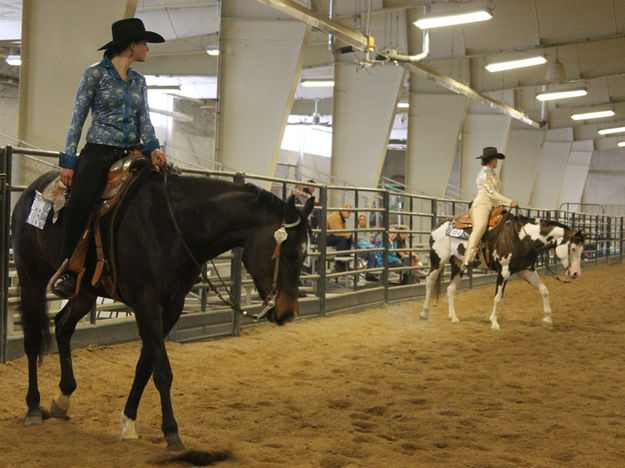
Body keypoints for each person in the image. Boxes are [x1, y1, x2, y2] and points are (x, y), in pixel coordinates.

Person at [53, 18, 168, 297]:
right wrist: (69, 161)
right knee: (80, 204)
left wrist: (153, 145)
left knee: (162, 192)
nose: (147, 50)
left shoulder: (139, 81)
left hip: (132, 152)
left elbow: (145, 118)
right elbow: (77, 118)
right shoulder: (95, 74)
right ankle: (70, 267)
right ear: (132, 45)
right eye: (144, 44)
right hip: (99, 152)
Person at [463, 147, 518, 269]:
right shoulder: (483, 174)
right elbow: (490, 193)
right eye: (496, 159)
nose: (497, 161)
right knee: (480, 226)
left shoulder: (493, 173)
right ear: (490, 160)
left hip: (494, 205)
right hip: (482, 204)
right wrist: (509, 202)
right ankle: (469, 257)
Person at [326, 203, 352, 272]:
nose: (349, 214)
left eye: (350, 213)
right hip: (322, 237)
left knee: (348, 239)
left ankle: (345, 263)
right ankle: (339, 263)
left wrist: (350, 236)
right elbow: (338, 233)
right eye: (348, 212)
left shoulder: (341, 218)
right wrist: (350, 235)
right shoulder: (336, 217)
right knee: (342, 239)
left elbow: (345, 232)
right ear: (342, 211)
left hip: (329, 236)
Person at [355, 214, 378, 281]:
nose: (362, 221)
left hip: (367, 249)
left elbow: (367, 243)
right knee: (372, 253)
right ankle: (370, 274)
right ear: (358, 221)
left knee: (376, 253)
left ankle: (373, 273)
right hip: (358, 250)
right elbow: (358, 243)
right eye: (361, 219)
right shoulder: (356, 230)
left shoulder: (365, 231)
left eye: (364, 220)